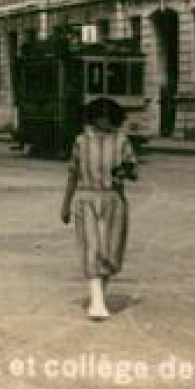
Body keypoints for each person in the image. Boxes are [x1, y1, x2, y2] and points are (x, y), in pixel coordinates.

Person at [60, 96, 138, 320]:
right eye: (100, 117)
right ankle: (96, 301)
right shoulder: (81, 142)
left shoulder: (122, 141)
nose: (104, 122)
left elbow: (133, 171)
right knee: (92, 249)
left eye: (109, 118)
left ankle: (99, 297)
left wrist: (126, 171)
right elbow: (73, 174)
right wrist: (65, 205)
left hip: (114, 200)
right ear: (92, 118)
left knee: (110, 252)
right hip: (86, 199)